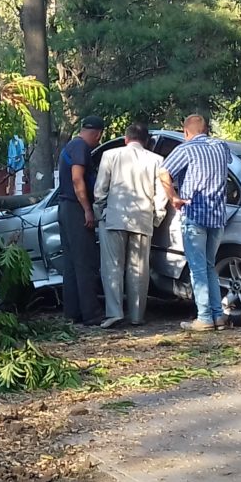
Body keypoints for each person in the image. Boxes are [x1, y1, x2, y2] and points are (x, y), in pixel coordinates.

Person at [158, 114, 233, 331]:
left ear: (186, 132)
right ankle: (218, 315)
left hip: (195, 215)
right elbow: (228, 165)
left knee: (197, 269)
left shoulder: (186, 149)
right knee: (210, 266)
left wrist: (173, 197)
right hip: (217, 216)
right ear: (206, 129)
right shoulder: (221, 147)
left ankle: (204, 318)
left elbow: (164, 171)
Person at [94, 123, 167, 328]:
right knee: (139, 268)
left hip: (114, 216)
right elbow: (161, 194)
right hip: (142, 217)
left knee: (112, 267)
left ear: (126, 138)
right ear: (146, 141)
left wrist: (100, 212)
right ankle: (137, 314)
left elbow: (100, 189)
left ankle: (114, 312)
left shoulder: (110, 155)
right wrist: (157, 217)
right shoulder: (157, 160)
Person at [57, 115, 106, 325]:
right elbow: (78, 178)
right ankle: (92, 314)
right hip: (76, 208)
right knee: (85, 262)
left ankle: (73, 312)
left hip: (65, 207)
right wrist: (87, 209)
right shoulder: (81, 147)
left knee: (72, 263)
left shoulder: (70, 145)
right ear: (98, 134)